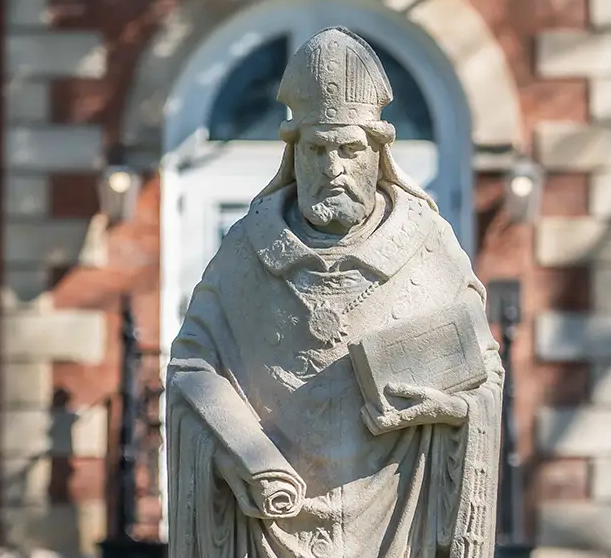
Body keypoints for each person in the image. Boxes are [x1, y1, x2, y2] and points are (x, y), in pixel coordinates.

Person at [165, 27, 502, 558]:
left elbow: (483, 373)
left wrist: (449, 409)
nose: (333, 169)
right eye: (317, 148)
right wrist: (246, 455)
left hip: (398, 515)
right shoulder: (247, 250)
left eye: (350, 148)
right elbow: (192, 370)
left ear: (378, 152)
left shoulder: (427, 247)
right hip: (271, 515)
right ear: (294, 154)